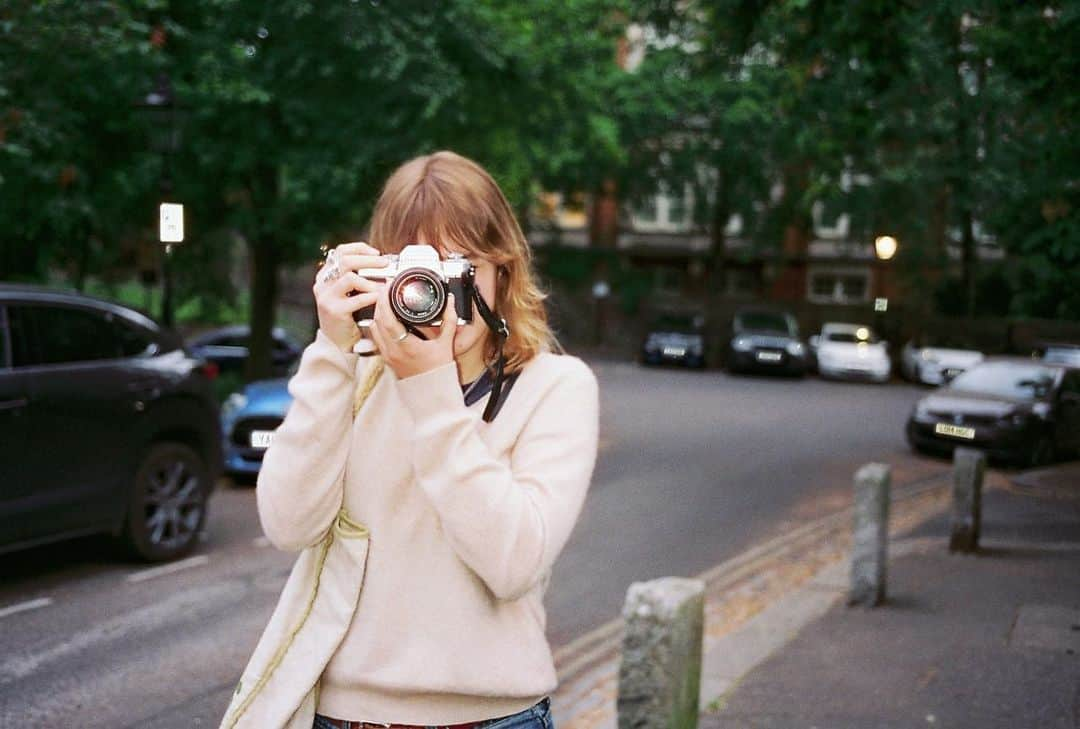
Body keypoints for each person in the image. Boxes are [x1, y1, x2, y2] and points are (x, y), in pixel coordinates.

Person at [255, 151, 599, 729]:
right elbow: (288, 526)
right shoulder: (356, 376)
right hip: (345, 717)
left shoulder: (555, 388)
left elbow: (514, 564)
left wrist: (430, 389)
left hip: (493, 719)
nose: (431, 293)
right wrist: (330, 349)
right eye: (416, 271)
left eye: (459, 268)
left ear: (502, 272)